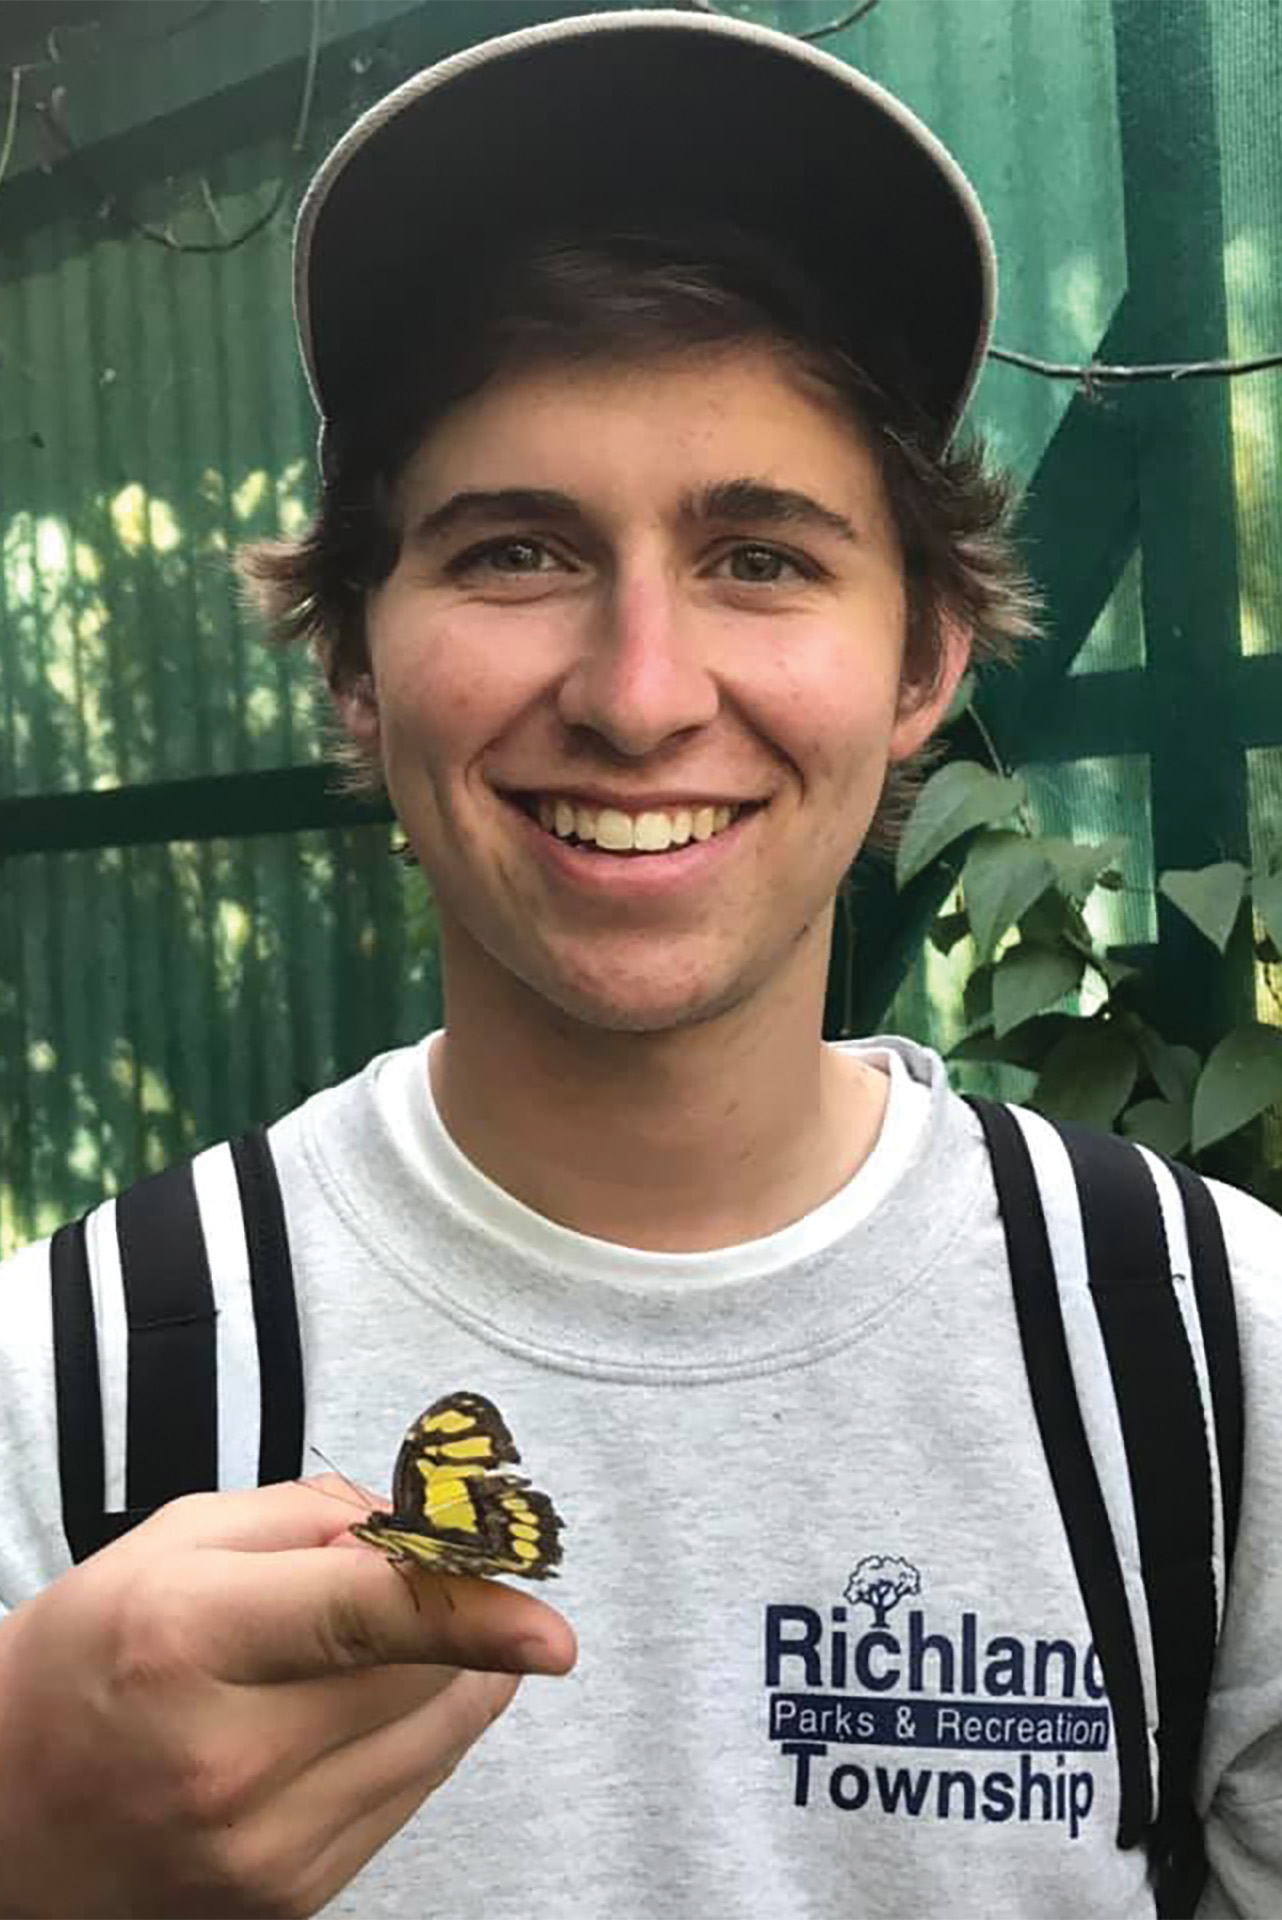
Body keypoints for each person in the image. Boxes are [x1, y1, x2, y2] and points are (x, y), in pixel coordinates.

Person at [0, 10, 1278, 1918]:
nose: (638, 693)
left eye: (761, 557)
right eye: (516, 551)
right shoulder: (64, 1393)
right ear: (357, 654)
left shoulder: (1217, 1364)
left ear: (925, 657)